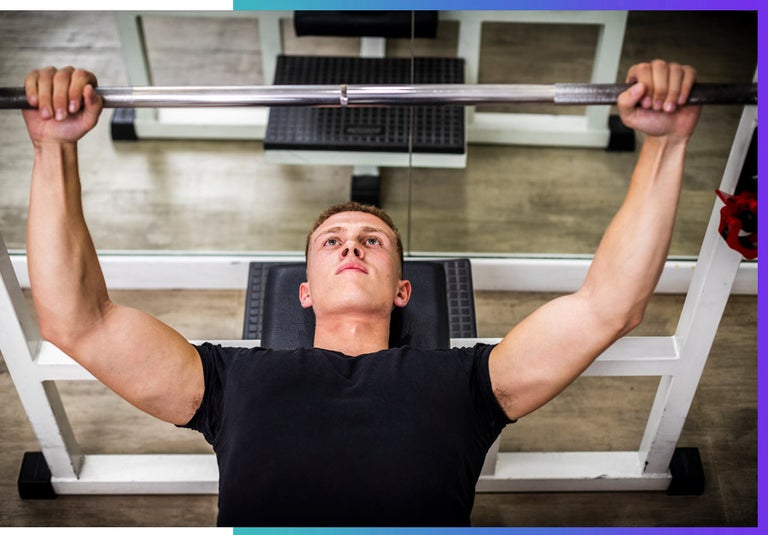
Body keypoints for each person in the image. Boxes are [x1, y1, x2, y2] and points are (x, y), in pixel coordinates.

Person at [22, 60, 700, 526]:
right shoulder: (230, 381)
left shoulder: (467, 382)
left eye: (372, 240)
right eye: (333, 241)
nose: (351, 245)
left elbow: (610, 305)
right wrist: (54, 148)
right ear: (305, 290)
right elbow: (76, 321)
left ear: (403, 288)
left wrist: (664, 146)